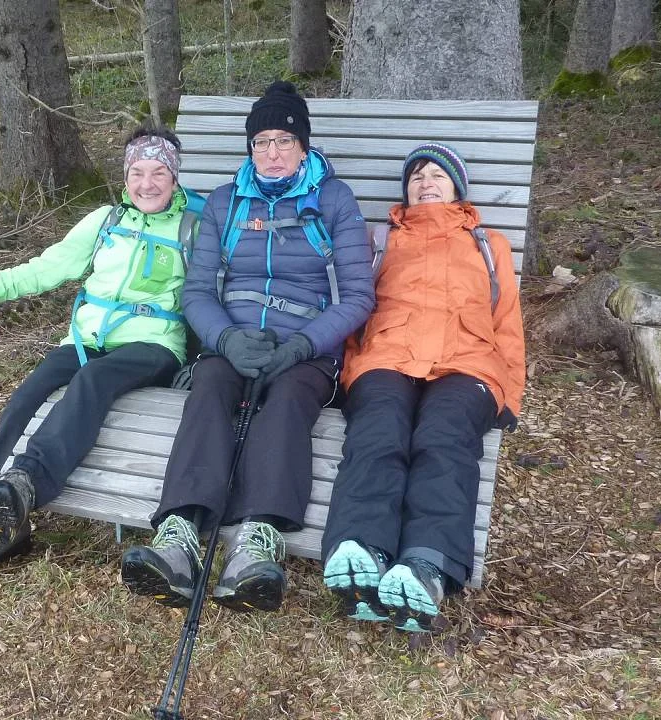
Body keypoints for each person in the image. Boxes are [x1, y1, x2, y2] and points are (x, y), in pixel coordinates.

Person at [120, 81, 375, 612]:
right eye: (261, 142)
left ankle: (258, 542)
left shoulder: (334, 201)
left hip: (305, 346)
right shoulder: (225, 201)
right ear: (250, 148)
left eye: (284, 140)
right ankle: (179, 534)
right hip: (233, 338)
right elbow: (197, 290)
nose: (272, 153)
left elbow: (356, 297)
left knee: (287, 404)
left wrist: (301, 346)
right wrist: (225, 338)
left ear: (304, 146)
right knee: (209, 388)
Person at [0, 127, 202, 577]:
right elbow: (48, 267)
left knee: (92, 381)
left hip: (152, 344)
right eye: (137, 172)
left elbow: (213, 296)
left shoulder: (194, 228)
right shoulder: (106, 221)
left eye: (158, 172)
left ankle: (27, 483)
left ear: (175, 178)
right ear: (125, 175)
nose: (147, 184)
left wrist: (202, 357)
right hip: (85, 339)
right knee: (27, 394)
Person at [319, 142, 525, 632]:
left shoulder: (487, 243)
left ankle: (427, 566)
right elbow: (355, 308)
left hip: (468, 362)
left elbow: (509, 322)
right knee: (378, 432)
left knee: (444, 438)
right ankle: (361, 552)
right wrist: (349, 370)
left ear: (457, 188)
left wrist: (509, 393)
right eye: (416, 178)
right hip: (388, 354)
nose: (425, 183)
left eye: (436, 175)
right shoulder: (382, 240)